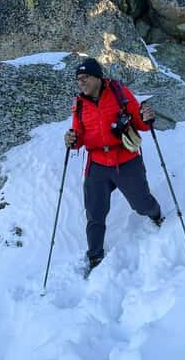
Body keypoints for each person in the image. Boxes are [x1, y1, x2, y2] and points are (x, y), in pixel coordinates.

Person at [64, 58, 163, 272]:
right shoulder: (79, 104)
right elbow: (78, 135)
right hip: (97, 164)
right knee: (95, 213)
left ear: (97, 77)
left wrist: (147, 117)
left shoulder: (119, 93)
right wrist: (71, 140)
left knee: (141, 204)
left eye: (85, 77)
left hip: (126, 159)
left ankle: (155, 214)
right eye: (78, 79)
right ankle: (95, 256)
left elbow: (140, 123)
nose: (81, 82)